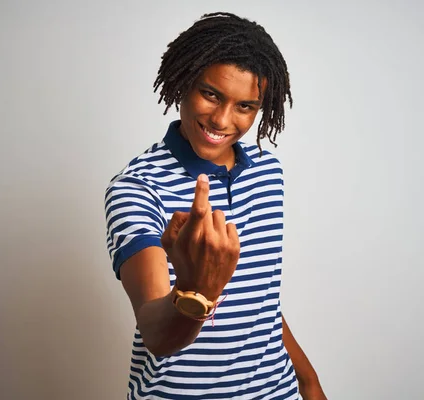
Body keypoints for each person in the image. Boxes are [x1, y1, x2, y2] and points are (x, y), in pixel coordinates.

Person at [105, 12, 327, 399]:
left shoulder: (268, 174)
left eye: (245, 107)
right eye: (211, 94)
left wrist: (308, 382)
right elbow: (157, 334)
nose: (223, 120)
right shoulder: (138, 187)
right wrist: (198, 287)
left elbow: (262, 303)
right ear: (182, 82)